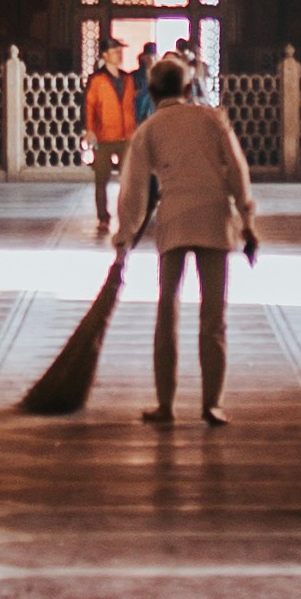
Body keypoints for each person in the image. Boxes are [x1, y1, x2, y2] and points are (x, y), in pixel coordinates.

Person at [108, 49, 258, 426]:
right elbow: (238, 171)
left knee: (167, 312)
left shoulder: (149, 130)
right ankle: (212, 404)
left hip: (174, 220)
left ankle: (165, 404)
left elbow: (134, 191)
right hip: (214, 217)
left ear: (153, 92)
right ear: (189, 87)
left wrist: (124, 238)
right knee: (214, 316)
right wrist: (247, 220)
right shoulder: (213, 119)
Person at [80, 43, 133, 234]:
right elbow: (89, 106)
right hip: (103, 136)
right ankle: (103, 217)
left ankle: (127, 215)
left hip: (126, 135)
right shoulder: (97, 80)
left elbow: (131, 107)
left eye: (120, 52)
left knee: (128, 179)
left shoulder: (128, 78)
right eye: (115, 52)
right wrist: (90, 130)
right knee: (101, 178)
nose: (119, 55)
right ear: (105, 54)